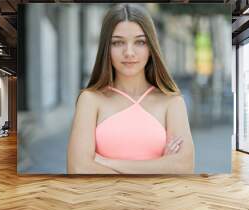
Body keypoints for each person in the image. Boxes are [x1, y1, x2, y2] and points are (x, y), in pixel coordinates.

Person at [67, 3, 194, 174]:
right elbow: (78, 168)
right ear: (107, 48)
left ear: (151, 47)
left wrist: (104, 162)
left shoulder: (172, 101)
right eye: (118, 43)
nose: (129, 52)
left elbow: (184, 167)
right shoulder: (90, 100)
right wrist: (161, 165)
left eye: (140, 42)